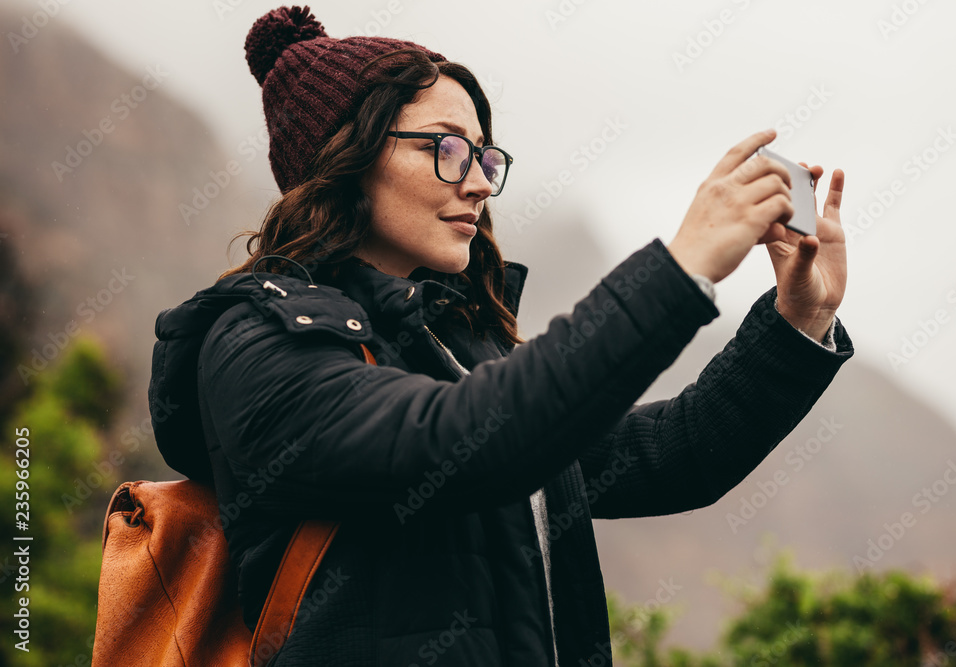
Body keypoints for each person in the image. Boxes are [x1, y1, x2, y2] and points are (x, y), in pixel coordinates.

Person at [149, 5, 853, 665]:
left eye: (486, 158)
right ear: (349, 154)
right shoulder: (252, 344)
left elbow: (669, 454)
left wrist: (800, 322)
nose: (481, 184)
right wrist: (681, 267)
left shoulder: (461, 348)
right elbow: (464, 438)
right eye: (450, 150)